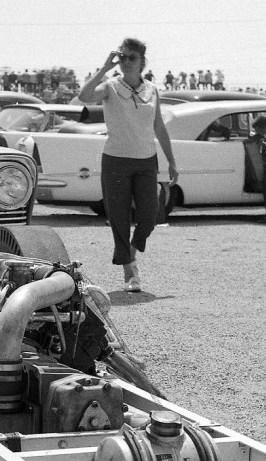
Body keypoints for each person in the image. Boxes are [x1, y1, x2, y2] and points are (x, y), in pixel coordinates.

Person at [79, 38, 179, 293]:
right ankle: (129, 270)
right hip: (116, 159)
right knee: (119, 217)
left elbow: (158, 126)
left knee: (150, 215)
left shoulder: (152, 90)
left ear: (142, 62)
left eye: (131, 57)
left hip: (146, 159)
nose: (125, 62)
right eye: (122, 57)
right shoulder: (110, 87)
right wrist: (104, 67)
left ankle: (130, 253)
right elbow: (84, 96)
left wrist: (171, 160)